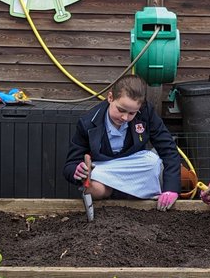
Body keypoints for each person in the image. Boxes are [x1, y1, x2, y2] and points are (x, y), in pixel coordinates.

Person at [64, 74, 182, 210]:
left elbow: (168, 148)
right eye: (120, 110)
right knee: (95, 181)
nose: (125, 117)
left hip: (133, 168)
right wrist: (77, 171)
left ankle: (115, 191)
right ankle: (124, 193)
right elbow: (70, 165)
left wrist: (171, 188)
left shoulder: (146, 113)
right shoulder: (88, 122)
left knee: (152, 162)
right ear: (110, 98)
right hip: (104, 170)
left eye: (132, 113)